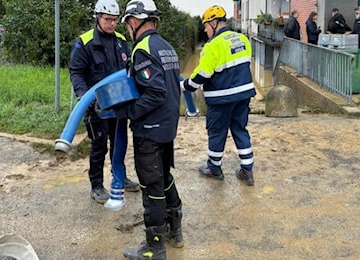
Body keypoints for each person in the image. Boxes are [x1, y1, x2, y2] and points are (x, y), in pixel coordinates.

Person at [115, 0, 184, 258]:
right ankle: (175, 232)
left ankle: (155, 247)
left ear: (135, 21)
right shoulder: (166, 47)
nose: (128, 29)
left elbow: (155, 91)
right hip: (167, 127)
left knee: (151, 187)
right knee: (164, 177)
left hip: (150, 130)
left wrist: (130, 112)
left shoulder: (142, 49)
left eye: (128, 24)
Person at [68, 0, 139, 205]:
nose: (112, 24)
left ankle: (120, 177)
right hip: (96, 107)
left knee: (119, 144)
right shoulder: (85, 42)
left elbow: (128, 69)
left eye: (115, 20)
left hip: (119, 104)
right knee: (99, 146)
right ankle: (96, 185)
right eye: (108, 19)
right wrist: (84, 96)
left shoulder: (120, 40)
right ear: (97, 17)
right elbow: (76, 72)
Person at [181, 5, 256, 186]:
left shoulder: (212, 46)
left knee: (216, 131)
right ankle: (247, 169)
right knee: (240, 128)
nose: (206, 30)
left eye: (206, 26)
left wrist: (186, 86)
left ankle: (214, 168)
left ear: (214, 23)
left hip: (221, 98)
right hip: (244, 94)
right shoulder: (243, 39)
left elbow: (202, 74)